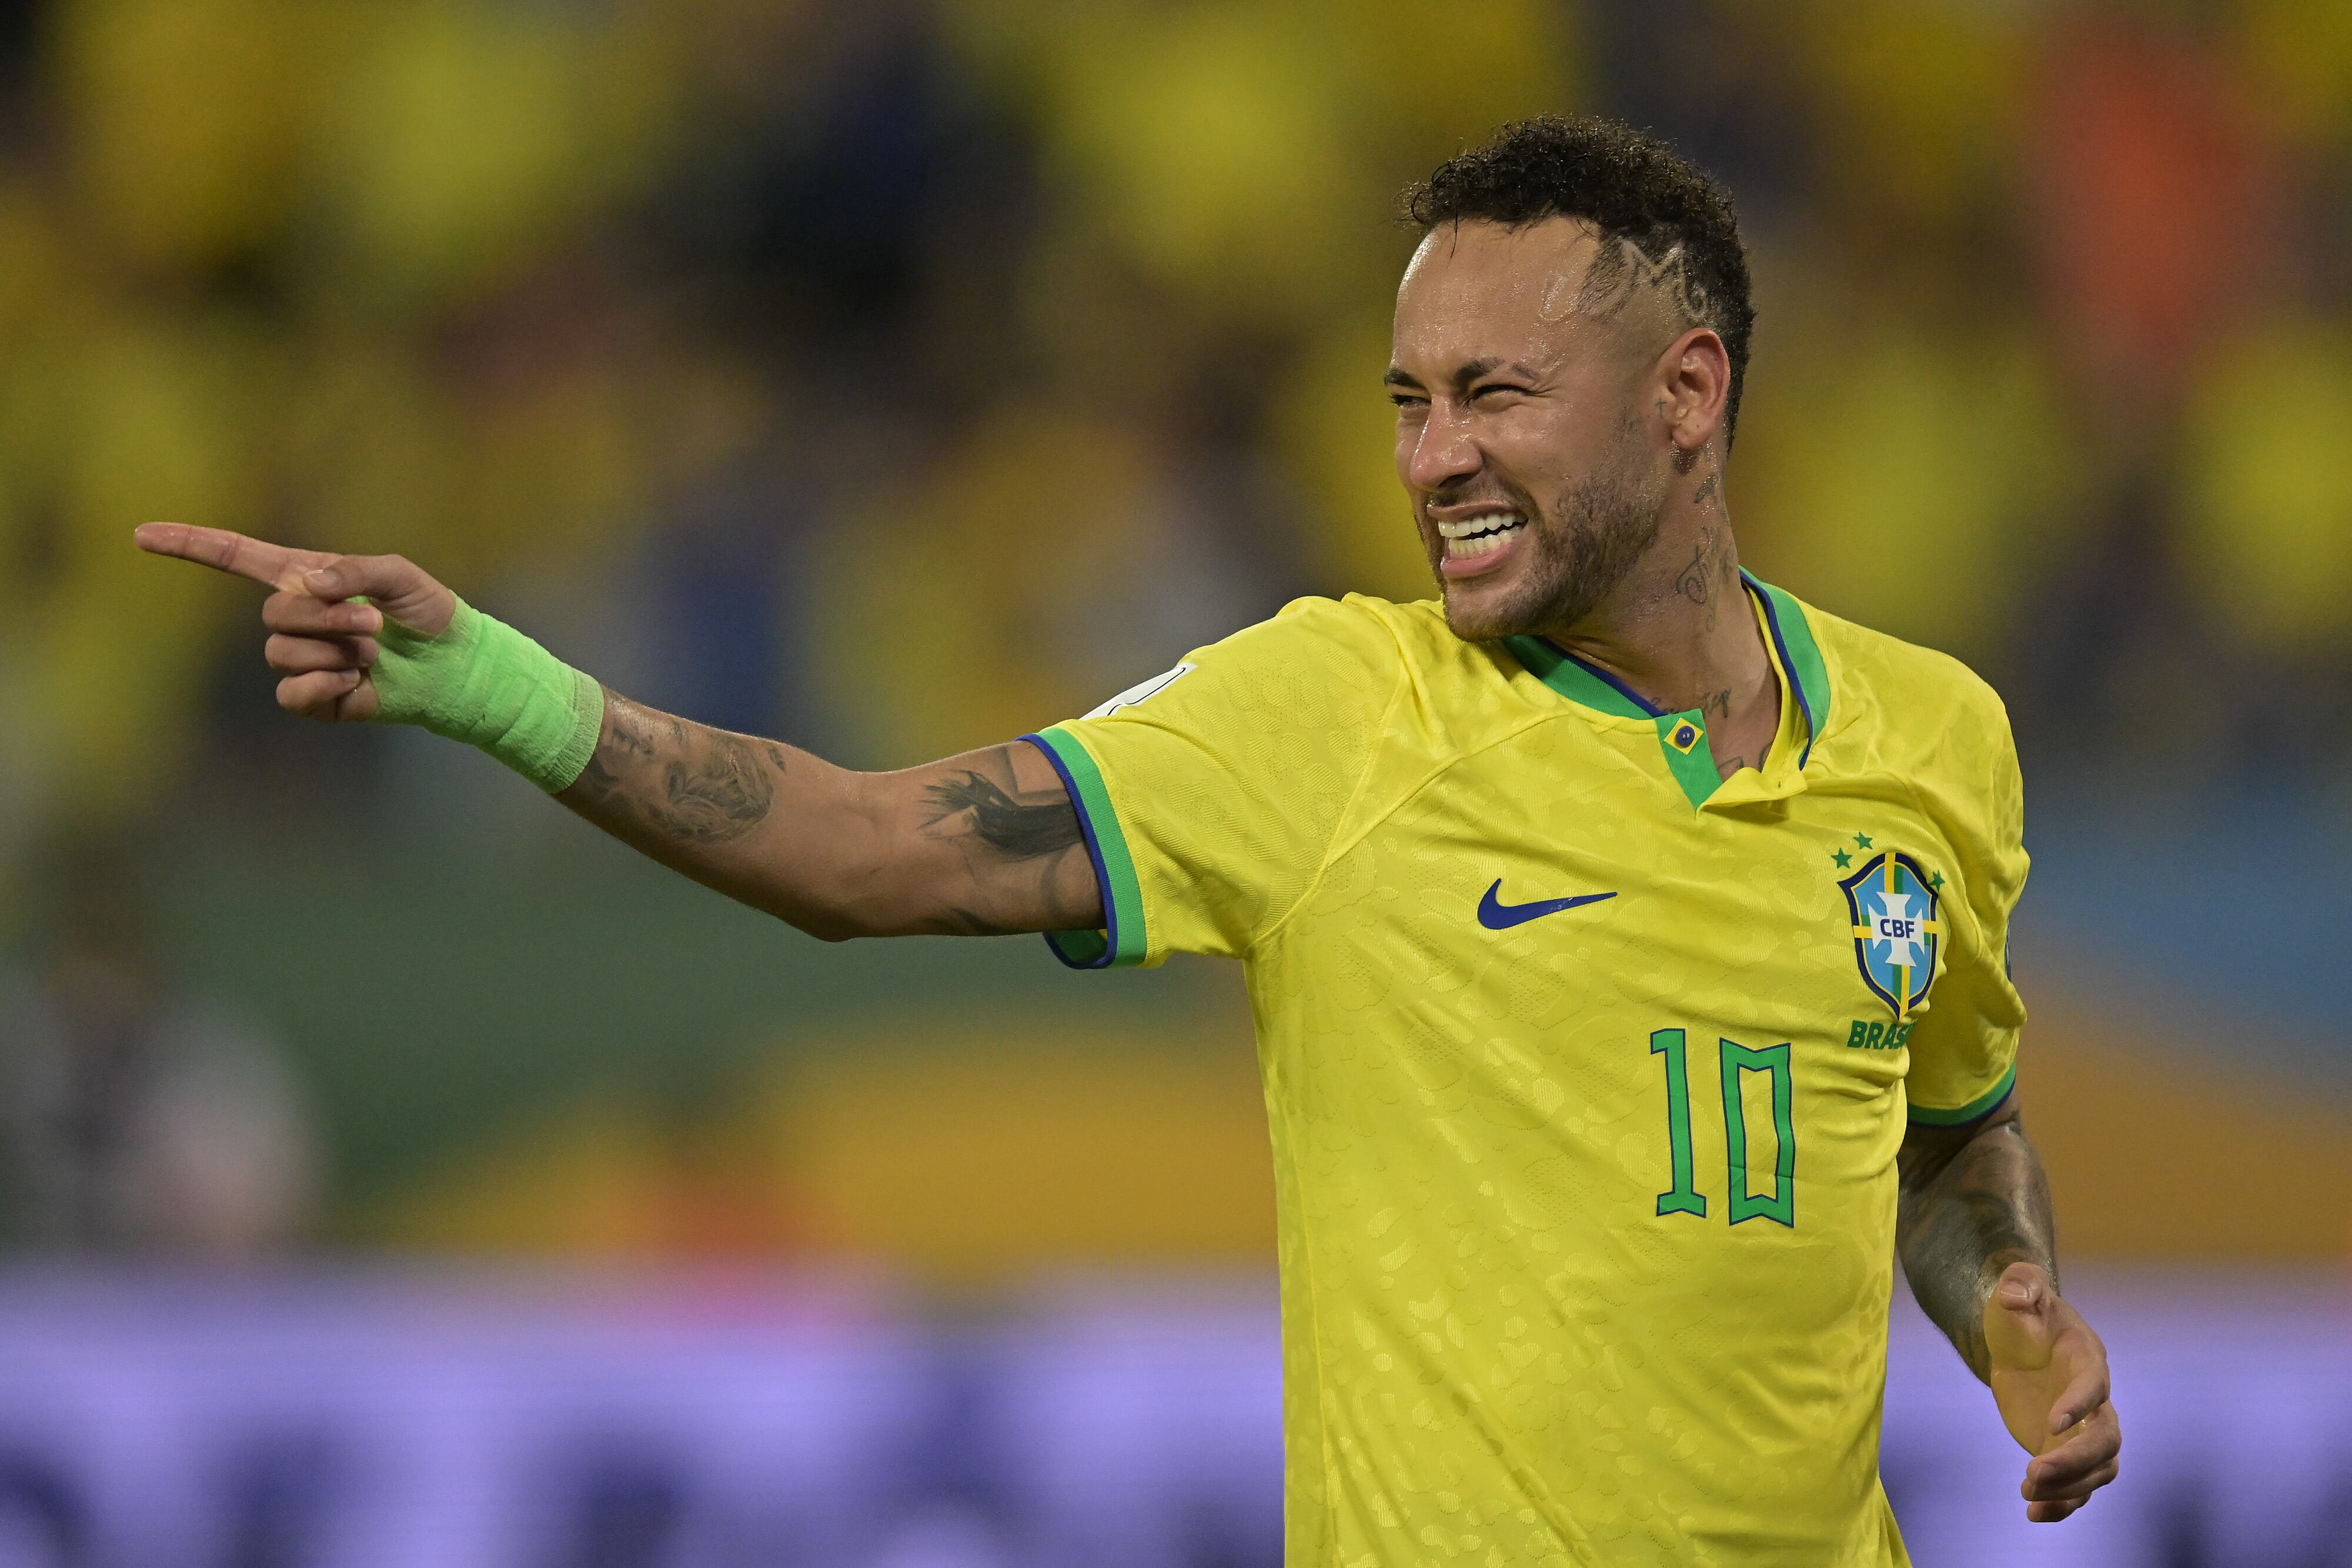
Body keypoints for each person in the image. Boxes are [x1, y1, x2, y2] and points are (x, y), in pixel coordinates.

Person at [135, 116, 2120, 1564]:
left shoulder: (1938, 743)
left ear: (1689, 397)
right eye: (1408, 400)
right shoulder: (1333, 717)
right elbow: (858, 846)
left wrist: (2008, 1299)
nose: (1432, 456)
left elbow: (1948, 1120)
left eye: (1494, 394)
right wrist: (488, 679)